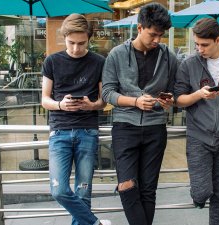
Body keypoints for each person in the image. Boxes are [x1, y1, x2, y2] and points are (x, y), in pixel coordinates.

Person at [102, 3, 178, 225]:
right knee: (126, 185)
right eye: (153, 34)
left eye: (161, 35)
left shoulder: (168, 57)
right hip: (125, 127)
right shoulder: (116, 55)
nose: (157, 40)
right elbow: (107, 93)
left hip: (155, 128)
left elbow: (174, 90)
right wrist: (135, 101)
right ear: (139, 27)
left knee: (148, 189)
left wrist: (168, 100)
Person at [174, 18, 219, 225]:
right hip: (199, 136)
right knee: (201, 191)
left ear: (218, 40)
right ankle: (198, 198)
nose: (199, 49)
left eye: (204, 45)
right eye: (196, 44)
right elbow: (179, 100)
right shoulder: (188, 64)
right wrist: (199, 94)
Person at [41, 13, 111, 225]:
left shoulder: (99, 62)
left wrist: (93, 105)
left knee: (83, 193)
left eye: (82, 43)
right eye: (71, 43)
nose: (76, 48)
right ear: (65, 38)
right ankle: (96, 224)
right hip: (60, 131)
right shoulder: (52, 61)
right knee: (59, 190)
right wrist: (61, 104)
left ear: (89, 38)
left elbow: (104, 100)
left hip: (88, 130)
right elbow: (45, 100)